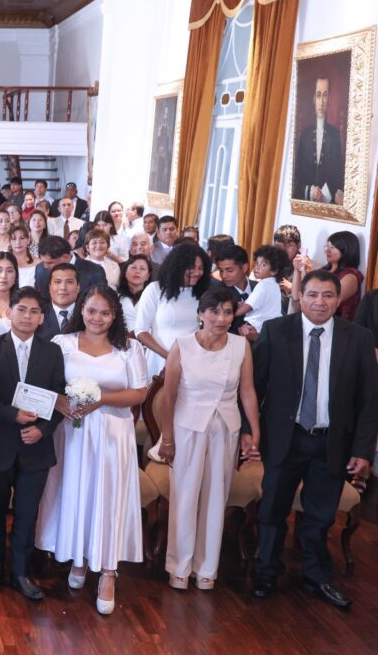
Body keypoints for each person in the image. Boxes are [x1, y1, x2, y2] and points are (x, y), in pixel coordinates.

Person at [251, 270, 378, 608]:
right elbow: (255, 388)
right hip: (285, 438)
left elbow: (369, 400)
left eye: (327, 295)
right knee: (272, 510)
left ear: (339, 300)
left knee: (320, 516)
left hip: (332, 442)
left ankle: (315, 575)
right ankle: (266, 571)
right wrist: (250, 432)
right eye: (312, 294)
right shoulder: (276, 331)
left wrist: (363, 450)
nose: (319, 302)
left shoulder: (359, 338)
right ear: (300, 296)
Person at [35, 286, 149, 615]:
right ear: (81, 310)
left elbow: (139, 393)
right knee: (77, 492)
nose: (97, 318)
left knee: (107, 497)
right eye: (91, 311)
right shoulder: (62, 343)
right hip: (72, 433)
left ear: (115, 316)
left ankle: (109, 571)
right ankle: (80, 557)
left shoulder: (129, 348)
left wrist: (101, 399)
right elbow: (48, 384)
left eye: (105, 313)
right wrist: (61, 401)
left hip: (113, 433)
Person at [156, 288, 260, 590]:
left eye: (227, 312)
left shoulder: (241, 346)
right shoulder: (183, 345)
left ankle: (206, 567)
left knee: (217, 494)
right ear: (201, 314)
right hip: (187, 426)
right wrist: (167, 438)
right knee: (185, 493)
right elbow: (169, 396)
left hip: (225, 427)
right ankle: (179, 565)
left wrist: (254, 430)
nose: (221, 319)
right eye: (214, 312)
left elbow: (247, 391)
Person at [0, 286, 65, 600]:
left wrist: (43, 430)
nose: (27, 316)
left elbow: (59, 399)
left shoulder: (52, 352)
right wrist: (13, 415)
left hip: (35, 446)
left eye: (34, 312)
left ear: (42, 318)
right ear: (9, 312)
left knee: (27, 513)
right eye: (21, 309)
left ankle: (21, 573)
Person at [135, 243, 211, 377]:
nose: (197, 273)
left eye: (201, 268)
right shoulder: (155, 289)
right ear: (178, 267)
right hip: (160, 358)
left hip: (193, 360)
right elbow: (141, 331)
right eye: (192, 268)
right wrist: (169, 356)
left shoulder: (203, 294)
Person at [293, 75, 345, 204]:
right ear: (313, 99)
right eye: (318, 95)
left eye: (325, 95)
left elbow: (339, 179)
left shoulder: (335, 136)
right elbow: (295, 180)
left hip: (328, 205)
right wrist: (310, 191)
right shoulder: (305, 135)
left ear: (329, 99)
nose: (321, 102)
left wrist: (338, 193)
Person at [294, 231, 362, 321]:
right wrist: (297, 270)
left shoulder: (350, 276)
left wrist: (310, 273)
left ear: (346, 249)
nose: (327, 250)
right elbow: (296, 296)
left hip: (337, 325)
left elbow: (326, 301)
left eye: (333, 247)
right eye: (327, 247)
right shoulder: (324, 270)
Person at [34, 236, 107, 300]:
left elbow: (100, 301)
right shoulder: (40, 270)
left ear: (65, 257)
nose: (45, 266)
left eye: (50, 263)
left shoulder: (94, 271)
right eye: (43, 262)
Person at [236, 245, 286, 335]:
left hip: (255, 326)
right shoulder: (275, 285)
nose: (257, 267)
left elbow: (248, 307)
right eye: (256, 263)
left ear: (274, 270)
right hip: (270, 328)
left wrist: (231, 314)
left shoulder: (263, 285)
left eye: (263, 265)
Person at [36, 263, 80, 341]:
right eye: (58, 282)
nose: (63, 288)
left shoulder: (86, 315)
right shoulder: (38, 314)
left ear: (78, 287)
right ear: (49, 287)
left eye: (69, 282)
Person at [117, 254, 151, 332]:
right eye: (133, 267)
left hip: (147, 337)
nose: (137, 271)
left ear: (148, 276)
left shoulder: (152, 297)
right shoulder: (115, 296)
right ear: (125, 273)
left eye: (142, 268)